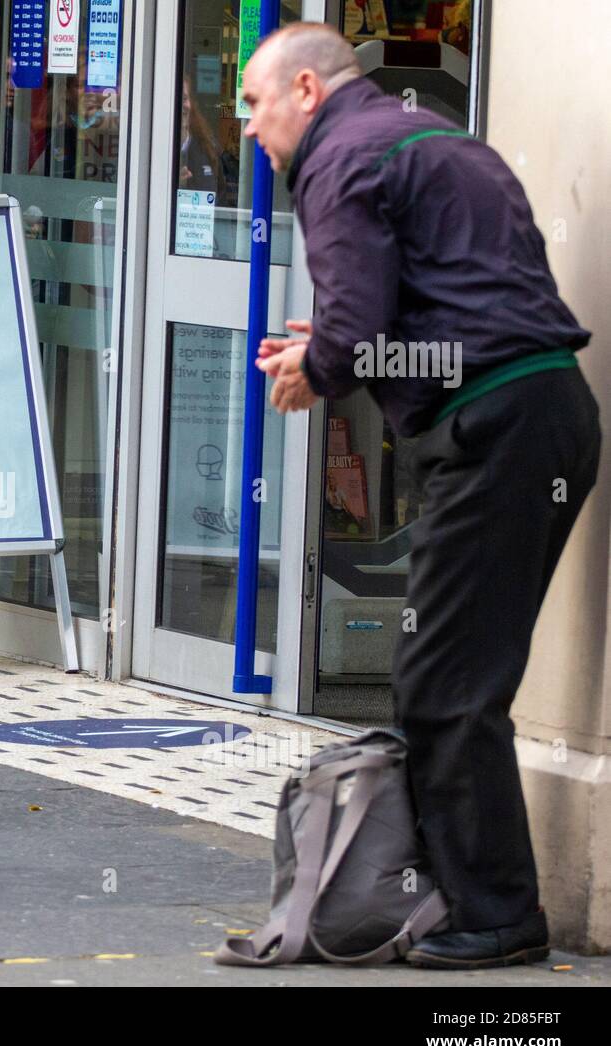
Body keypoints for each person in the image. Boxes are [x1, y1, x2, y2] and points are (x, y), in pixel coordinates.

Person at [242, 23, 600, 969]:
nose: (248, 127)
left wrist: (314, 367)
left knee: (444, 685)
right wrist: (330, 344)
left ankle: (495, 917)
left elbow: (357, 324)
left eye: (255, 102)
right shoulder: (433, 137)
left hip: (497, 434)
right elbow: (439, 296)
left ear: (307, 90)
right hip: (541, 415)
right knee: (454, 674)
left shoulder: (337, 160)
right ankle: (464, 895)